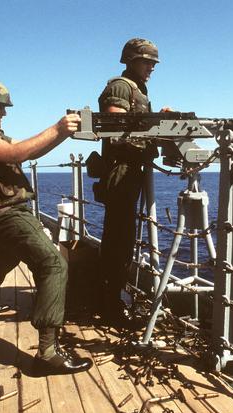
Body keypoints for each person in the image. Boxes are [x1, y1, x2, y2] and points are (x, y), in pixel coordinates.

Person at [0, 78, 92, 375]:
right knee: (53, 264)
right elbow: (14, 154)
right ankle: (48, 354)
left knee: (8, 256)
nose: (4, 113)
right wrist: (58, 128)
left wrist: (63, 134)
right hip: (3, 213)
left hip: (1, 210)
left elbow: (28, 151)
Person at [96, 38, 166, 328]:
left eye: (153, 63)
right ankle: (110, 305)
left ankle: (111, 299)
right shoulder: (120, 87)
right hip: (120, 170)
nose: (151, 68)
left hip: (130, 170)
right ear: (131, 60)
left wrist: (157, 119)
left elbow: (135, 124)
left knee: (122, 239)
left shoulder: (138, 89)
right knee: (119, 240)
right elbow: (116, 126)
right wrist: (154, 123)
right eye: (147, 62)